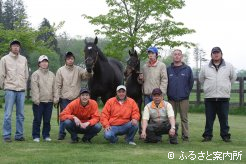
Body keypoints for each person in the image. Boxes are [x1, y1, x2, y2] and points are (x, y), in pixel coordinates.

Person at [199, 47, 237, 142]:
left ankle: (225, 136)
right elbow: (201, 79)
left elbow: (233, 78)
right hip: (210, 97)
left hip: (223, 97)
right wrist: (209, 87)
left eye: (218, 53)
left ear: (221, 54)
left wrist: (225, 86)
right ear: (211, 55)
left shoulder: (229, 66)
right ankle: (207, 136)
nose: (216, 54)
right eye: (214, 53)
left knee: (224, 118)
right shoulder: (205, 67)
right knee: (209, 118)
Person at [55, 51, 92, 140]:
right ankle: (61, 133)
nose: (70, 60)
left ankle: (74, 134)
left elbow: (86, 76)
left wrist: (89, 70)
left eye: (71, 59)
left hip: (76, 98)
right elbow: (57, 85)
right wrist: (57, 97)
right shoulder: (60, 70)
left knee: (76, 118)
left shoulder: (79, 69)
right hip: (64, 97)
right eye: (68, 59)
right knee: (63, 117)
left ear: (74, 60)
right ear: (65, 60)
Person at [0, 40, 29, 142]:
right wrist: (4, 86)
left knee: (20, 115)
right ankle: (7, 135)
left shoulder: (23, 59)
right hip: (10, 89)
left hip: (21, 90)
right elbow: (2, 74)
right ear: (10, 47)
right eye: (14, 46)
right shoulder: (4, 59)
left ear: (19, 48)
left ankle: (19, 135)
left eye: (17, 46)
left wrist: (24, 85)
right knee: (8, 114)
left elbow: (26, 75)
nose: (16, 47)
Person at [167, 49, 194, 141]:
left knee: (184, 118)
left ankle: (185, 135)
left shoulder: (187, 69)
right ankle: (173, 134)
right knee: (172, 117)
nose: (177, 56)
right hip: (171, 98)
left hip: (184, 98)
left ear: (182, 56)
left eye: (179, 54)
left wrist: (186, 92)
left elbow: (191, 83)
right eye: (175, 54)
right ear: (172, 56)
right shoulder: (168, 69)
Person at [31, 55, 58, 142]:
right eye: (42, 61)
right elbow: (34, 88)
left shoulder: (52, 75)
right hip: (39, 102)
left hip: (49, 101)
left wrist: (55, 98)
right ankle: (36, 136)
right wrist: (36, 100)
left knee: (47, 121)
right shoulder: (35, 74)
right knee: (37, 120)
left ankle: (46, 135)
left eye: (46, 61)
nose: (44, 63)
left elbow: (55, 88)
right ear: (39, 63)